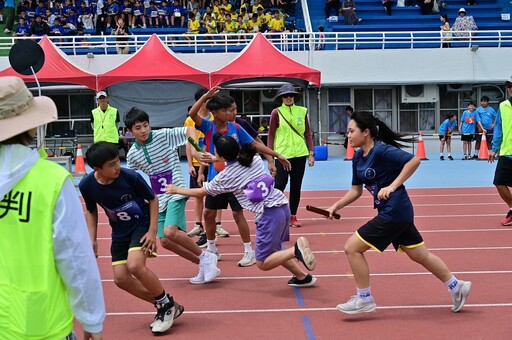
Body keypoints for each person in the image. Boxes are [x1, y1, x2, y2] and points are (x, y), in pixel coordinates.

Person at [326, 111, 472, 314]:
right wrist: (335, 206)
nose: (347, 136)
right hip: (396, 213)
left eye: (351, 131)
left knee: (352, 248)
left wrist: (392, 186)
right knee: (420, 255)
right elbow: (355, 191)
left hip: (395, 211)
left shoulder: (382, 150)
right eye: (347, 132)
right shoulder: (358, 157)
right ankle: (457, 286)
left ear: (366, 132)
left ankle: (364, 298)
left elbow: (413, 161)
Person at [0, 76, 105, 339]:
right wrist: (91, 320)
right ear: (31, 127)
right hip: (40, 323)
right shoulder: (51, 180)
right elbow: (75, 256)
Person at [166, 136, 318, 287]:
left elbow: (200, 192)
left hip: (268, 214)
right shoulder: (254, 159)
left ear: (221, 155)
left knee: (263, 262)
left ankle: (296, 250)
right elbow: (239, 160)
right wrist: (218, 159)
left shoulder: (225, 177)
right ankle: (302, 277)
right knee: (275, 251)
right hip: (282, 207)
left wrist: (176, 189)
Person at [79, 142, 183, 334]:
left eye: (118, 160)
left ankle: (166, 307)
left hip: (141, 224)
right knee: (121, 279)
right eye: (111, 164)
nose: (117, 166)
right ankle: (166, 304)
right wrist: (92, 240)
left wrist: (152, 231)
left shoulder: (130, 177)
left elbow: (153, 199)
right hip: (119, 231)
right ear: (97, 169)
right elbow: (91, 211)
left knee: (135, 266)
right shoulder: (87, 185)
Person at [188, 87, 291, 265]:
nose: (229, 113)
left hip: (235, 180)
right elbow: (192, 113)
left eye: (231, 110)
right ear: (214, 113)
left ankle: (248, 250)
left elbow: (254, 145)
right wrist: (206, 96)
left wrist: (275, 155)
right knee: (208, 214)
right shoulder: (208, 127)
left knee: (238, 215)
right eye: (225, 110)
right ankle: (212, 249)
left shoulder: (235, 127)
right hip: (218, 179)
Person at [124, 107, 221, 284]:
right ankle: (202, 262)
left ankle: (206, 256)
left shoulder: (163, 136)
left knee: (170, 231)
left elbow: (189, 130)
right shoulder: (132, 155)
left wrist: (197, 150)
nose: (143, 130)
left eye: (146, 125)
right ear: (129, 131)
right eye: (138, 128)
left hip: (176, 190)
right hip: (158, 198)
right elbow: (131, 179)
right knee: (165, 241)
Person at [267, 84, 315, 228]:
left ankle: (293, 216)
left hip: (300, 154)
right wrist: (270, 159)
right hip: (282, 155)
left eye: (291, 95)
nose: (288, 98)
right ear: (281, 98)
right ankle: (274, 214)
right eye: (285, 96)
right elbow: (271, 136)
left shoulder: (302, 111)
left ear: (294, 97)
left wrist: (311, 153)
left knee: (296, 186)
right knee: (279, 185)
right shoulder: (276, 112)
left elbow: (307, 133)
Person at [489, 78, 512, 226]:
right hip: (507, 151)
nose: (511, 88)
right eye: (509, 86)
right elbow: (498, 128)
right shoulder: (503, 106)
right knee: (499, 182)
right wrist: (494, 148)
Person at [475, 95, 497, 159]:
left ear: (487, 102)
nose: (483, 103)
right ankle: (476, 154)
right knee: (478, 141)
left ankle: (491, 154)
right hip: (481, 129)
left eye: (484, 101)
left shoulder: (491, 109)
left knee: (489, 142)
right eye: (482, 101)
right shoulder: (478, 110)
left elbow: (496, 117)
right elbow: (478, 119)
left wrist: (493, 124)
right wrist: (480, 128)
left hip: (489, 128)